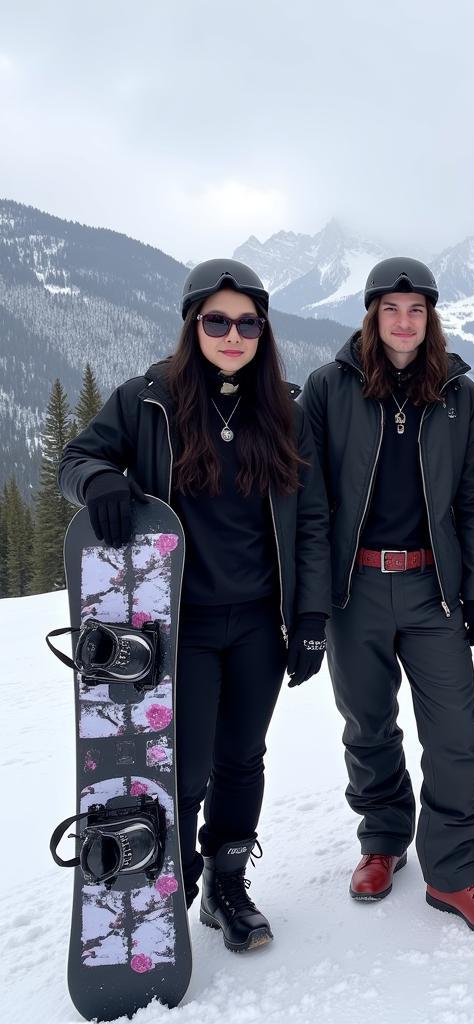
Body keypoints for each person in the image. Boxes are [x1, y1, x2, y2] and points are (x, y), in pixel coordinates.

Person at [59, 258, 331, 952]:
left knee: (244, 757)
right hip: (179, 625)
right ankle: (162, 884)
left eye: (247, 322)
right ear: (192, 324)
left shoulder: (284, 410)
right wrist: (99, 483)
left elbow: (312, 523)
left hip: (260, 623)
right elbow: (75, 458)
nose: (232, 333)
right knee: (182, 765)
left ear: (263, 330)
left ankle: (227, 886)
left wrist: (311, 621)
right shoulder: (149, 398)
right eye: (217, 320)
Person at [300, 257, 474, 939]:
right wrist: (311, 605)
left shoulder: (458, 393)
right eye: (391, 309)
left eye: (416, 310)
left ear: (431, 318)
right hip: (355, 588)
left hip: (433, 588)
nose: (404, 322)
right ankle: (384, 837)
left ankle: (453, 872)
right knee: (368, 725)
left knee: (456, 737)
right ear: (372, 316)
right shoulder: (329, 388)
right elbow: (310, 505)